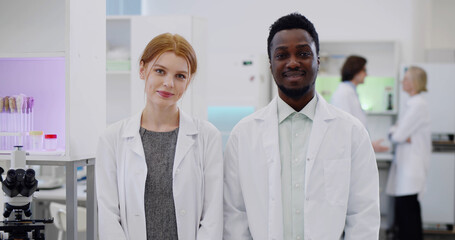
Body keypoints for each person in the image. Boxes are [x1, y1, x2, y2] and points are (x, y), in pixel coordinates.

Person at [223, 13, 380, 240]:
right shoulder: (243, 134)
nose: (293, 62)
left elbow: (363, 215)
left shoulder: (352, 132)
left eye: (304, 53)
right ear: (270, 64)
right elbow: (234, 216)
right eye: (282, 55)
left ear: (318, 60)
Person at [96, 33, 223, 239]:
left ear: (188, 80)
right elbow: (109, 216)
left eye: (180, 76)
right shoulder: (112, 139)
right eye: (160, 71)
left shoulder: (208, 137)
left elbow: (213, 217)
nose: (168, 83)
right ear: (142, 69)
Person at [386, 66, 431, 240]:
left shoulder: (418, 105)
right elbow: (397, 133)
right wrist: (399, 134)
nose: (402, 82)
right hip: (407, 168)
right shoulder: (412, 104)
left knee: (408, 219)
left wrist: (398, 134)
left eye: (405, 79)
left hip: (411, 171)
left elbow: (397, 135)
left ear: (414, 83)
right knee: (405, 217)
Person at [331, 55, 389, 152]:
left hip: (355, 149)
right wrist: (369, 146)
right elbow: (344, 130)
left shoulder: (350, 92)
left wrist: (368, 145)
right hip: (349, 151)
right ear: (355, 71)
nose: (366, 74)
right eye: (364, 70)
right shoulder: (343, 94)